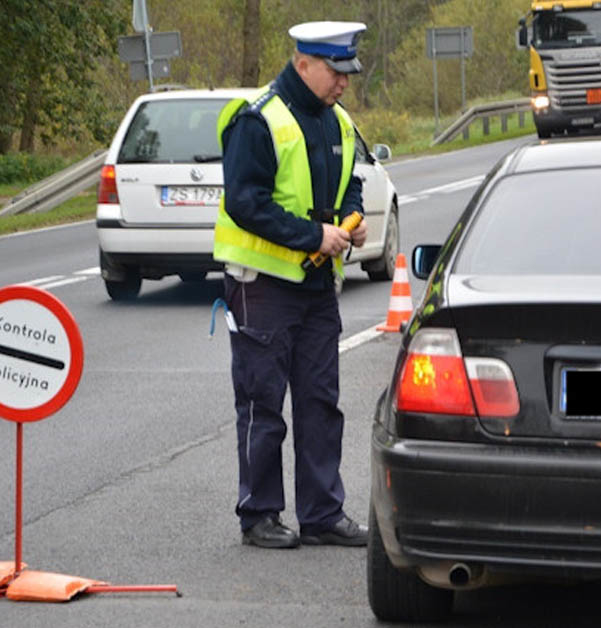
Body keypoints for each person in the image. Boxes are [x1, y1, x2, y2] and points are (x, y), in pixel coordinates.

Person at [213, 21, 370, 549]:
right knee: (262, 404)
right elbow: (245, 202)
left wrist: (351, 222)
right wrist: (312, 235)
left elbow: (351, 187)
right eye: (334, 72)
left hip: (317, 287)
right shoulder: (259, 120)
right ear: (303, 64)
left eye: (348, 73)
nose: (343, 83)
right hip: (263, 286)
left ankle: (323, 514)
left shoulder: (339, 122)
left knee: (320, 403)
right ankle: (258, 515)